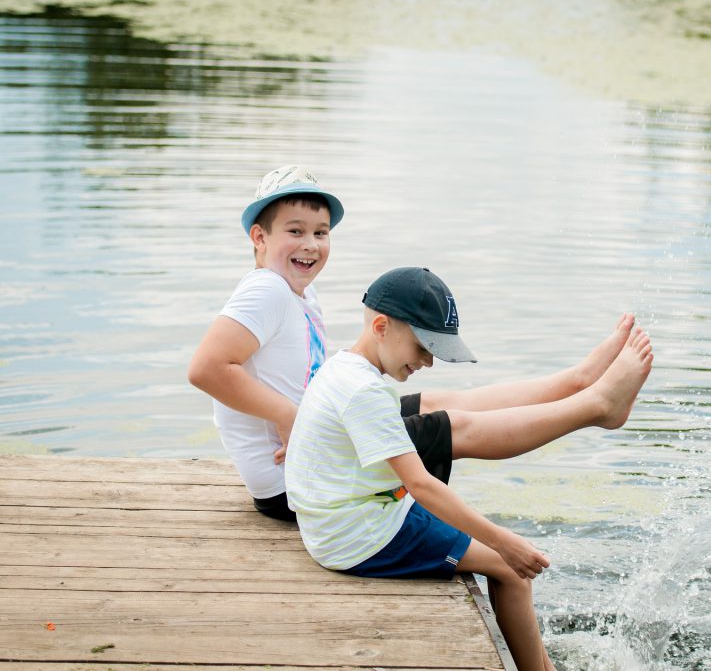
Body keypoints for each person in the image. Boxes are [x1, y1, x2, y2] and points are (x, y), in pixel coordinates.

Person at [188, 165, 637, 521]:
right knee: (453, 426)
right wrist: (292, 417)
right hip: (299, 483)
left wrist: (316, 408)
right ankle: (596, 406)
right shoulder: (265, 288)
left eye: (321, 233)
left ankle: (578, 380)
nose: (311, 245)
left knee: (438, 401)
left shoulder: (296, 292)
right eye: (295, 230)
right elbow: (207, 369)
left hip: (310, 460)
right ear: (260, 238)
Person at [285, 267, 653, 671]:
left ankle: (581, 383)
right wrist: (503, 542)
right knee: (511, 571)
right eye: (423, 347)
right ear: (381, 327)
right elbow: (420, 485)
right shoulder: (365, 392)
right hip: (357, 536)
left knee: (446, 406)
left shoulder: (347, 368)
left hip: (341, 518)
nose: (427, 361)